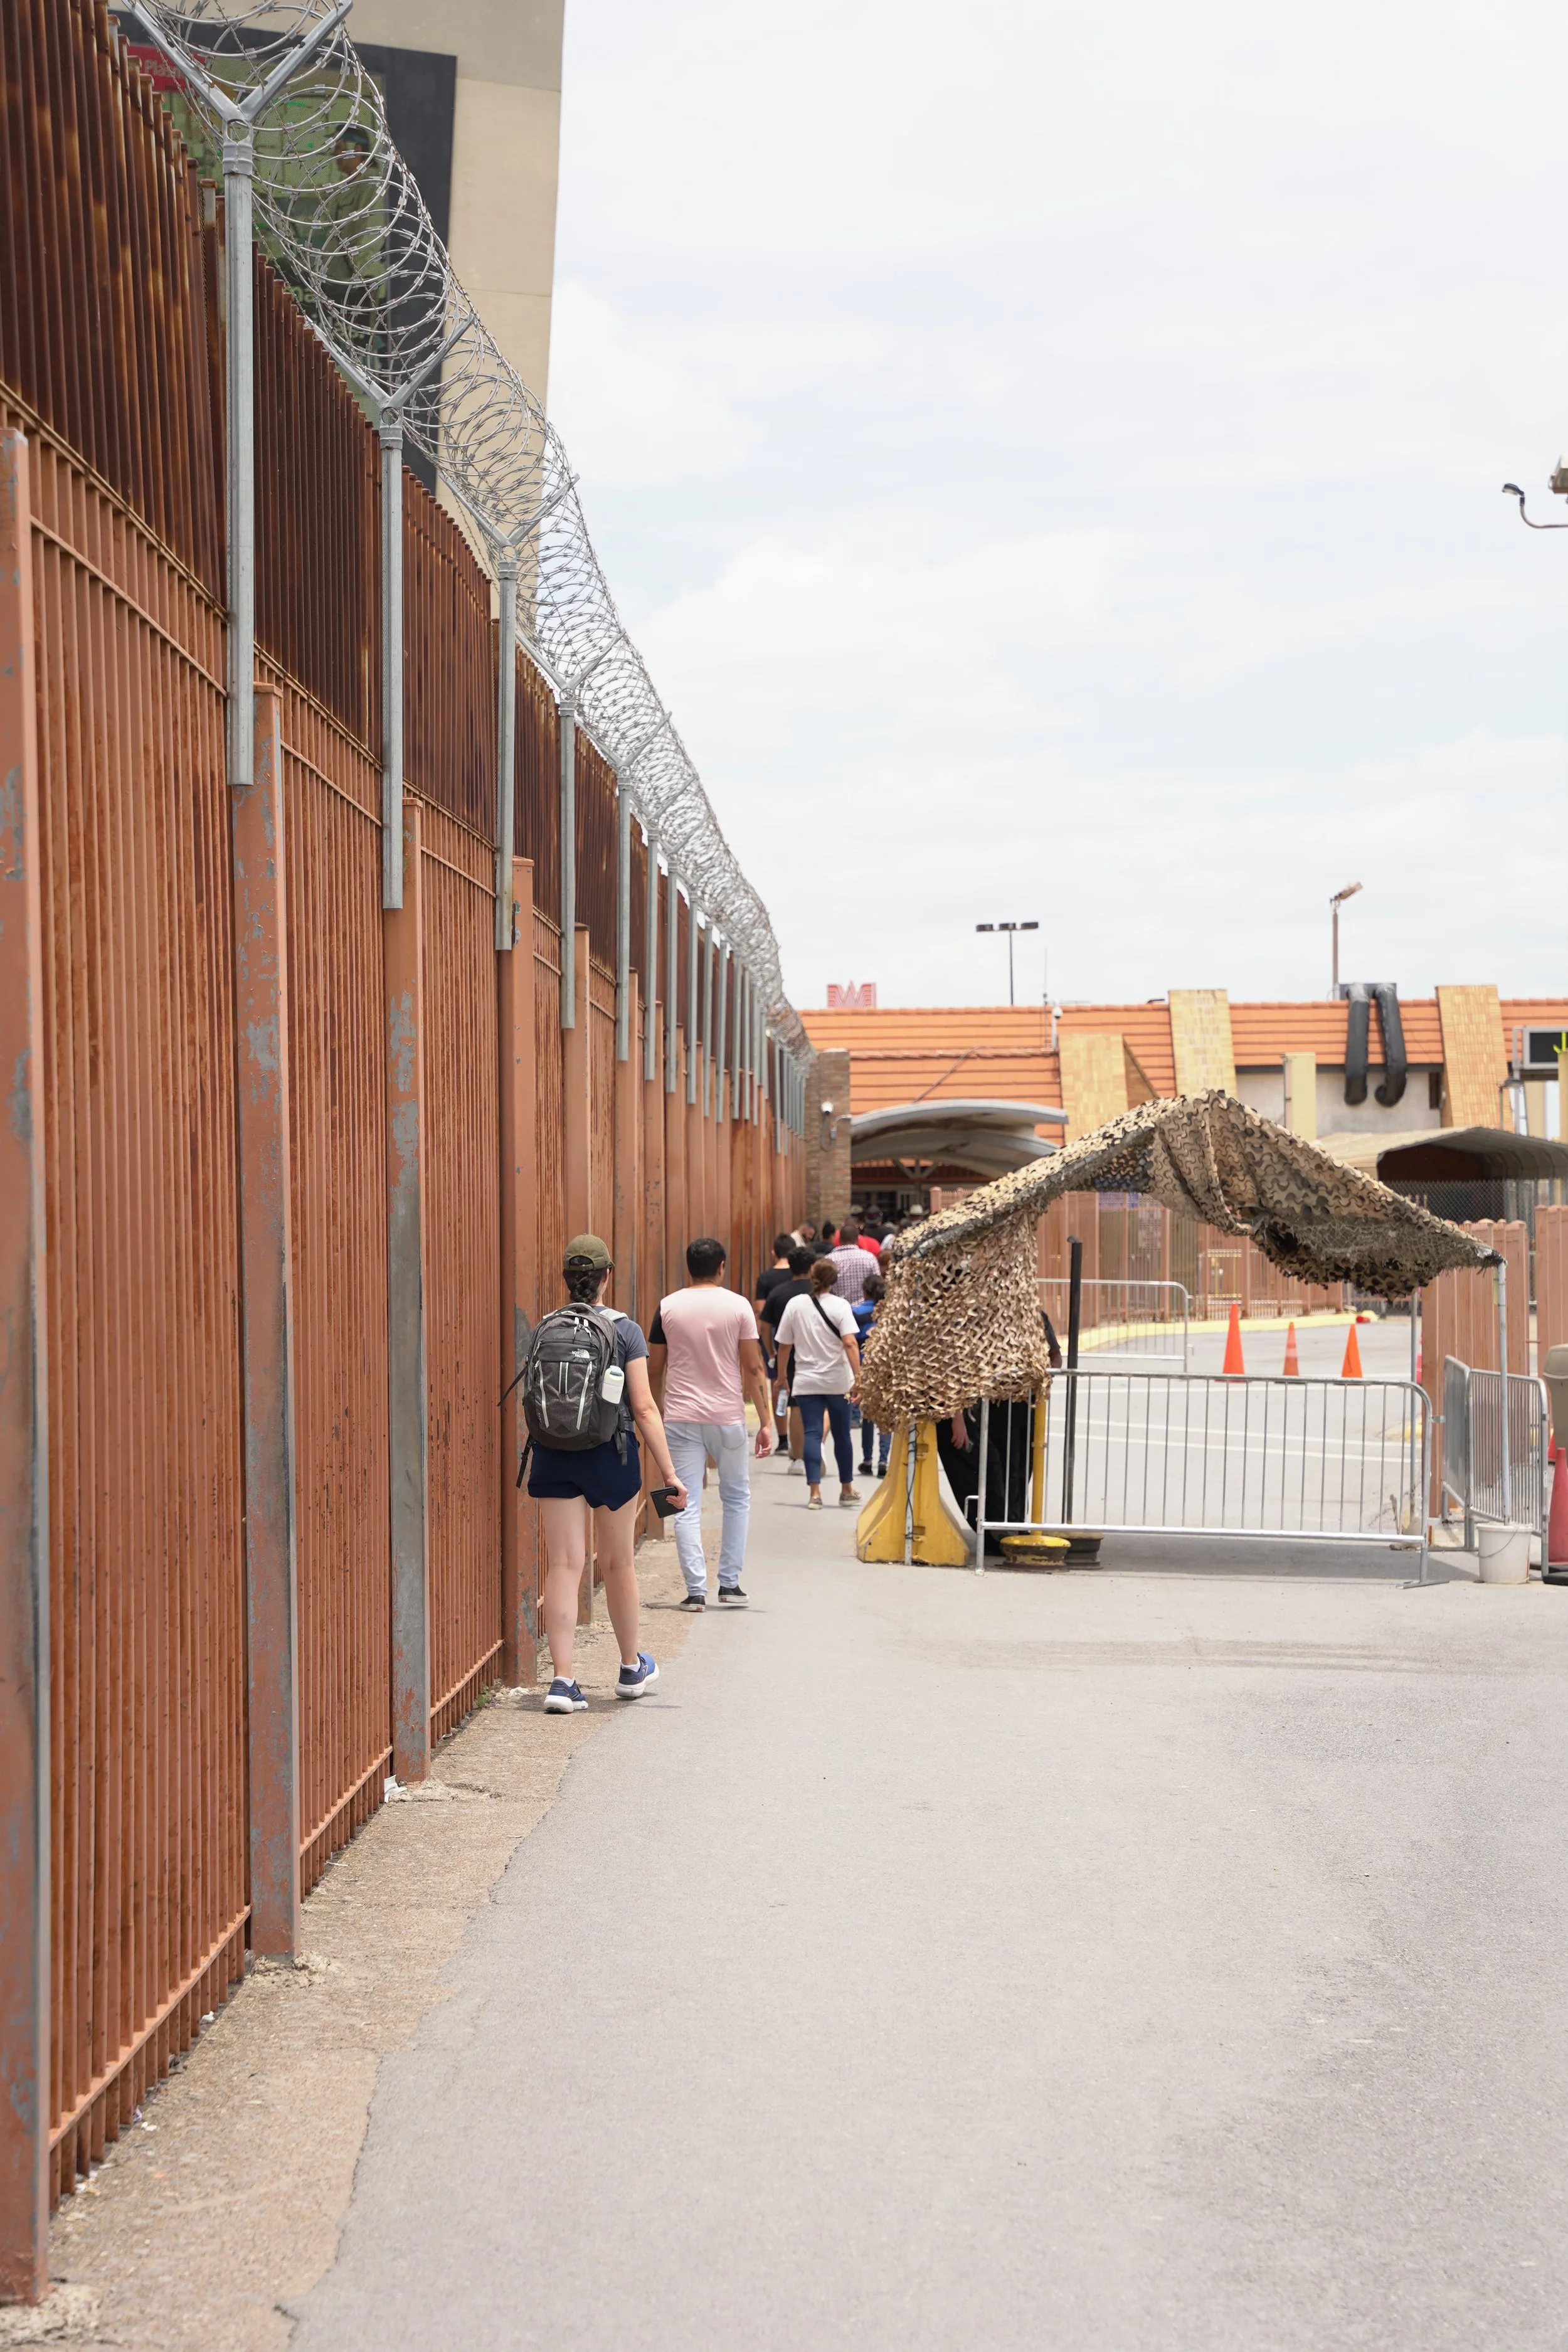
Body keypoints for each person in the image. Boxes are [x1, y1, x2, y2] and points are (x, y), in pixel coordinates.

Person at [527, 1235, 687, 1715]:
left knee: (564, 1564)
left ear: (565, 1277)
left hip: (554, 1452)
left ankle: (562, 1680)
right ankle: (628, 1667)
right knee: (617, 1562)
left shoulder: (546, 1327)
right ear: (606, 1276)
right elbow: (643, 1406)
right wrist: (669, 1470)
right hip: (610, 1455)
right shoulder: (625, 1330)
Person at [649, 1237, 773, 1608]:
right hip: (727, 1415)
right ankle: (730, 1584)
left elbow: (655, 1368)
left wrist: (659, 1411)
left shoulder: (667, 1307)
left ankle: (695, 1591)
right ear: (722, 1267)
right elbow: (753, 1367)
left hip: (681, 1416)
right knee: (736, 1497)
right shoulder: (739, 1307)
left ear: (688, 1268)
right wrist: (766, 1421)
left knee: (684, 1502)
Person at [775, 1259, 862, 1508]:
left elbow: (784, 1345)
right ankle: (847, 1489)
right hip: (838, 1381)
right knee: (842, 1434)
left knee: (812, 1434)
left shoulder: (795, 1305)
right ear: (834, 1281)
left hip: (806, 1380)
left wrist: (782, 1377)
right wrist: (860, 1378)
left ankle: (815, 1493)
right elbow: (850, 1343)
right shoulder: (841, 1306)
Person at [761, 1244, 815, 1469]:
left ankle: (795, 1452)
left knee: (792, 1402)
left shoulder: (779, 1293)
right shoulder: (819, 1291)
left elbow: (765, 1327)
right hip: (818, 1353)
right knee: (821, 1404)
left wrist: (771, 1352)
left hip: (789, 1355)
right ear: (812, 1267)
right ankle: (815, 1445)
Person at [853, 1271, 891, 1478]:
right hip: (886, 1370)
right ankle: (883, 1460)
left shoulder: (856, 1313)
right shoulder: (892, 1315)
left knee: (867, 1416)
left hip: (865, 1368)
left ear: (865, 1292)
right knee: (886, 1416)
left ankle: (867, 1459)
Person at [827, 1217, 879, 1305]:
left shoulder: (829, 1261)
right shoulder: (870, 1259)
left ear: (839, 1241)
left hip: (837, 1311)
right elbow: (878, 1285)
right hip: (864, 1312)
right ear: (858, 1241)